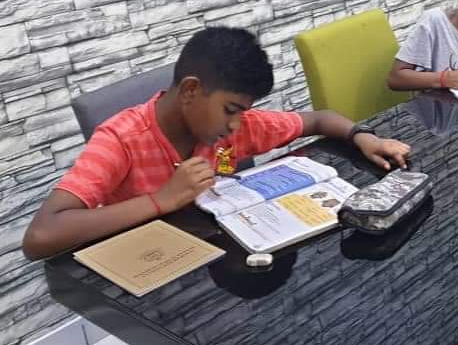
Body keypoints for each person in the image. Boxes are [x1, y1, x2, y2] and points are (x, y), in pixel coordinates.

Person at [22, 27, 411, 261]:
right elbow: (40, 237)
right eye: (230, 110)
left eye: (243, 112)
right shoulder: (121, 138)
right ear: (191, 90)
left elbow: (319, 119)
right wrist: (161, 200)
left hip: (214, 260)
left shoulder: (234, 126)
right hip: (152, 270)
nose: (236, 125)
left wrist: (365, 137)